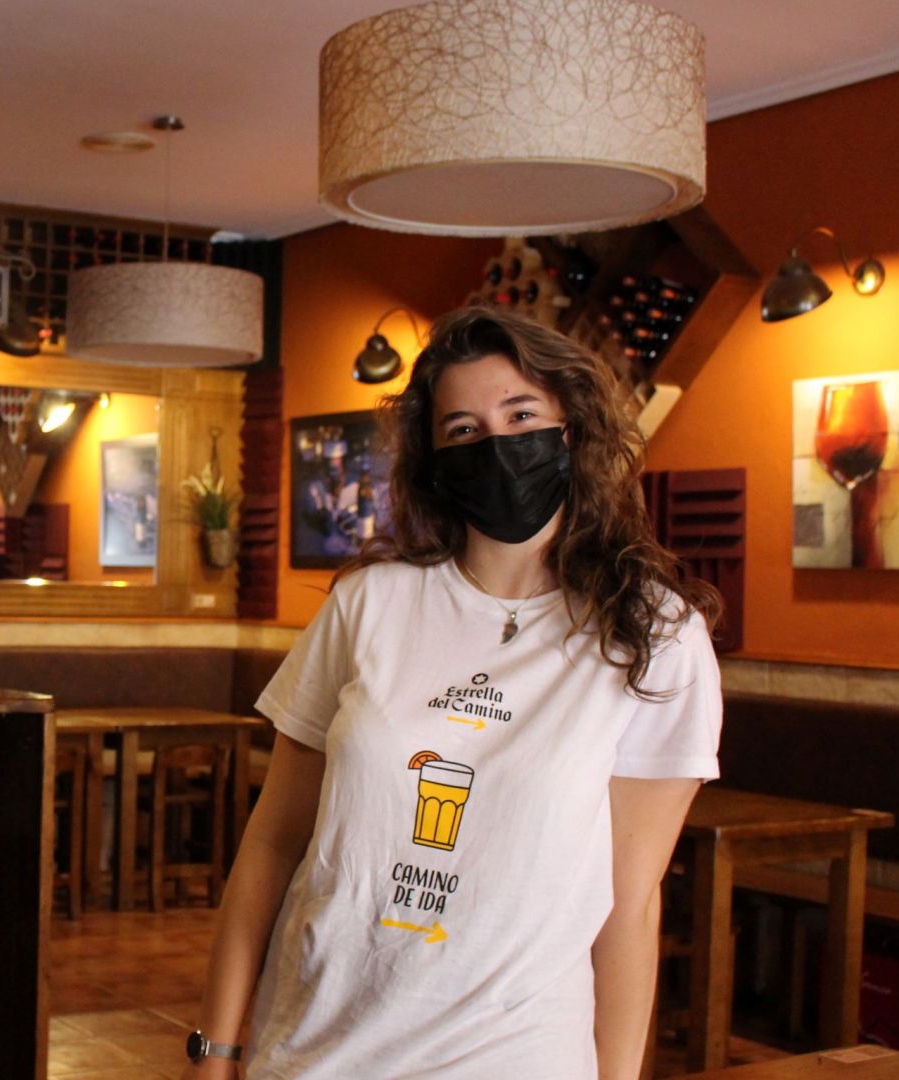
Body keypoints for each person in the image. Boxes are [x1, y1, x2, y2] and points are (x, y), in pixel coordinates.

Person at [181, 307, 723, 1080]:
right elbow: (271, 845)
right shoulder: (370, 603)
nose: (496, 444)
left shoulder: (654, 636)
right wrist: (216, 1048)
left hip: (514, 1057)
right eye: (464, 429)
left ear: (572, 428)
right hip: (310, 1048)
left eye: (521, 414)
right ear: (436, 462)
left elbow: (627, 904)